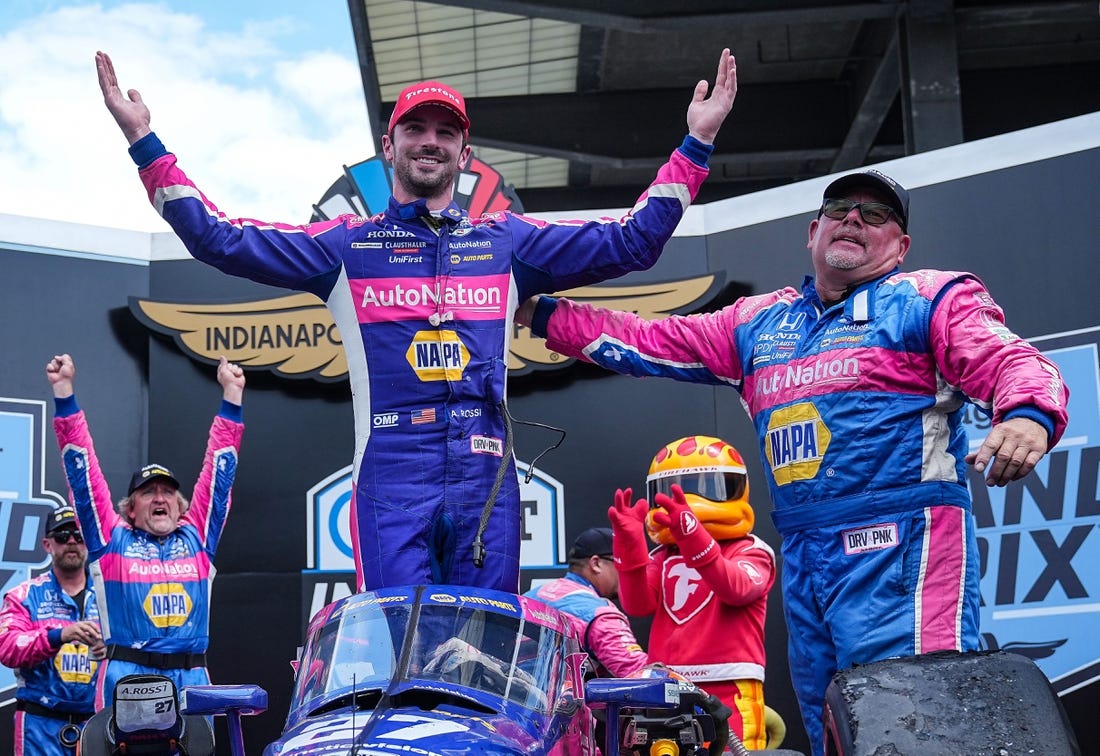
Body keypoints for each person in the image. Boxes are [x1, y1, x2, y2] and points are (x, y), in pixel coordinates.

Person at [95, 48, 739, 594]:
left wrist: (697, 142)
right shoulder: (345, 247)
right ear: (389, 145)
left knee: (482, 656)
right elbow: (219, 239)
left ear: (464, 150)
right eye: (415, 129)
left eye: (445, 131)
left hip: (485, 472)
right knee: (400, 645)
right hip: (390, 470)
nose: (430, 140)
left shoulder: (507, 242)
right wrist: (144, 143)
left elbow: (633, 242)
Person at [517, 169, 1070, 755]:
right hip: (808, 553)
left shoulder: (929, 297)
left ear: (900, 247)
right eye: (840, 207)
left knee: (921, 719)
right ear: (813, 231)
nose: (854, 218)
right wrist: (541, 316)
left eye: (876, 214)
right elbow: (651, 338)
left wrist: (1027, 413)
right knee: (832, 721)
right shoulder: (757, 322)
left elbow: (1007, 357)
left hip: (906, 545)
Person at [46, 353, 245, 708]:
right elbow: (83, 477)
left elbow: (220, 472)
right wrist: (64, 393)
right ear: (131, 510)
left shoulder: (197, 535)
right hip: (127, 680)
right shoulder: (111, 540)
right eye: (148, 492)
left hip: (192, 681)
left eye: (168, 491)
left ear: (181, 505)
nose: (160, 497)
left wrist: (232, 396)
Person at [610, 436, 774, 749]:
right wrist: (629, 547)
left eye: (707, 486)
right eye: (674, 488)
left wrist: (693, 538)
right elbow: (638, 604)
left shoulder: (752, 551)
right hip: (667, 688)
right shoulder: (664, 555)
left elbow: (735, 588)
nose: (688, 498)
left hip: (731, 687)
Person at [0, 506, 103, 756]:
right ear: (47, 544)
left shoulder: (110, 596)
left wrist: (110, 649)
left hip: (96, 724)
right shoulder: (23, 596)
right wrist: (59, 635)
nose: (71, 542)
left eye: (78, 536)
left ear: (88, 542)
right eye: (62, 536)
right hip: (40, 723)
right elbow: (7, 647)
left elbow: (136, 646)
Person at [523, 527, 649, 678]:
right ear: (596, 563)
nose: (628, 572)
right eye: (622, 562)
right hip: (556, 700)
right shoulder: (598, 613)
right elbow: (641, 674)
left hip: (511, 694)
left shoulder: (532, 595)